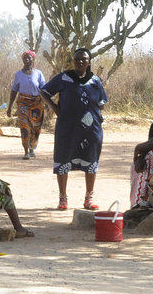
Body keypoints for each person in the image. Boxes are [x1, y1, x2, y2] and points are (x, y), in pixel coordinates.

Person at [40, 48, 107, 211]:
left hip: (91, 130)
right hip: (67, 128)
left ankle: (89, 198)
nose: (81, 62)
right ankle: (63, 199)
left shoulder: (95, 81)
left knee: (91, 160)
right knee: (63, 158)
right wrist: (55, 108)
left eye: (84, 59)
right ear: (73, 61)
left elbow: (102, 102)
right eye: (77, 59)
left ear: (89, 62)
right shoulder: (64, 77)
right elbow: (44, 91)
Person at [6, 50, 47, 160]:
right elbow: (14, 90)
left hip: (37, 103)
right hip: (23, 103)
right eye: (25, 58)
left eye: (29, 58)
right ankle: (26, 150)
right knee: (24, 126)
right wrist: (9, 106)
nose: (27, 60)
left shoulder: (38, 73)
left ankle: (32, 148)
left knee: (35, 126)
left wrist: (47, 102)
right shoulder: (18, 75)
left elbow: (44, 89)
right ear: (22, 60)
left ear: (33, 59)